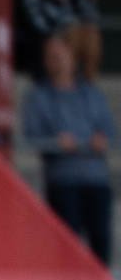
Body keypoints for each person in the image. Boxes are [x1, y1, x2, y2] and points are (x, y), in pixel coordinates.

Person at [23, 33, 115, 266]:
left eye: (59, 54)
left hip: (96, 179)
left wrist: (102, 140)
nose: (55, 60)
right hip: (63, 180)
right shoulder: (38, 97)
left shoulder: (92, 94)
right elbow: (32, 138)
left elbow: (111, 131)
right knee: (67, 248)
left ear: (73, 57)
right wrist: (57, 143)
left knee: (101, 243)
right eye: (50, 56)